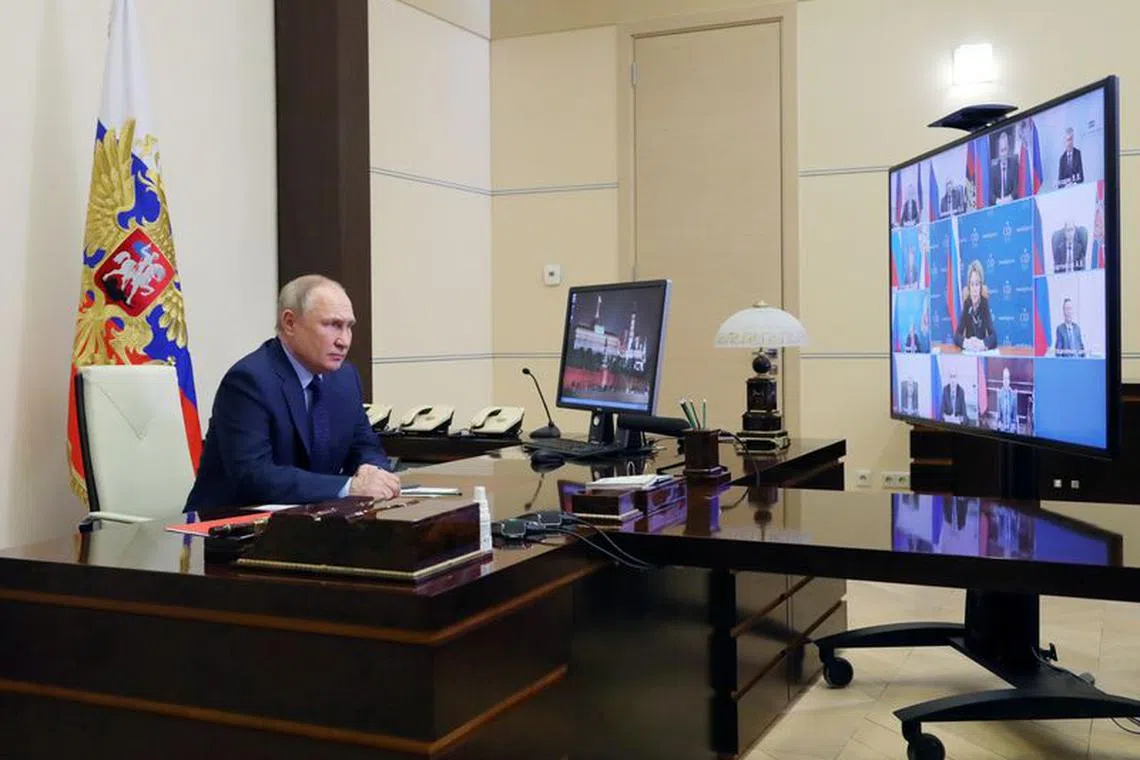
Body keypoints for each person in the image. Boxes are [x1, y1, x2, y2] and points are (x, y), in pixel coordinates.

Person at [185, 275, 400, 517]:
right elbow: (253, 475)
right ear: (289, 323)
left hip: (308, 523)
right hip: (229, 530)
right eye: (332, 325)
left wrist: (372, 471)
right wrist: (348, 487)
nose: (344, 341)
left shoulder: (345, 378)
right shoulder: (249, 381)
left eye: (349, 326)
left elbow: (365, 445)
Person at [953, 260, 998, 352]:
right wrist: (966, 342)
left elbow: (994, 337)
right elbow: (956, 336)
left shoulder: (984, 304)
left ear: (981, 286)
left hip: (980, 351)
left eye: (977, 284)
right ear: (969, 286)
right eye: (972, 284)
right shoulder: (967, 304)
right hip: (969, 352)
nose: (974, 289)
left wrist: (982, 343)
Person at [990, 131, 1020, 205]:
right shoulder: (993, 170)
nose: (1003, 154)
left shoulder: (1014, 165)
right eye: (1002, 150)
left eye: (1005, 149)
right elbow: (990, 193)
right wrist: (998, 201)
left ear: (1008, 149)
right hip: (998, 206)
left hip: (1012, 204)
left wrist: (1010, 198)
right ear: (998, 152)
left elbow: (1017, 187)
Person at [996, 367, 1017, 433]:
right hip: (1002, 427)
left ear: (1009, 380)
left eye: (1007, 378)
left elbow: (1014, 414)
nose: (1005, 381)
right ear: (1002, 380)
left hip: (1011, 427)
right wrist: (999, 424)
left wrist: (1013, 426)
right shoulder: (999, 394)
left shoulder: (1013, 394)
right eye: (1004, 378)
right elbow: (999, 413)